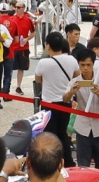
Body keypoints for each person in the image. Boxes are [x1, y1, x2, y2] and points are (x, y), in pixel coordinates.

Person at [65, 51, 99, 172]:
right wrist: (71, 92)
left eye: (88, 65)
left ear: (93, 64)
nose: (85, 68)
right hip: (83, 128)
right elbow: (65, 99)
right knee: (83, 165)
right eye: (82, 65)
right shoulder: (75, 81)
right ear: (78, 64)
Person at [32, 32, 79, 163]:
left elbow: (38, 80)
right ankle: (68, 161)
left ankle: (52, 161)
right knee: (63, 133)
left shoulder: (43, 62)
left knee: (50, 134)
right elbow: (77, 75)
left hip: (49, 104)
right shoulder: (71, 60)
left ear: (48, 45)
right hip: (66, 101)